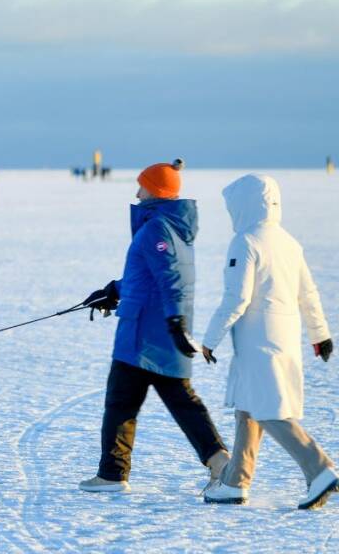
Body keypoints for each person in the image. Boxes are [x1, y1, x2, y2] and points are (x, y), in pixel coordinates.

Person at [79, 162, 229, 493]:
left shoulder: (157, 228)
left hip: (146, 336)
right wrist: (113, 291)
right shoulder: (169, 226)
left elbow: (170, 278)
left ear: (156, 191)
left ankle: (112, 475)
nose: (137, 192)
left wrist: (175, 322)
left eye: (142, 186)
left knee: (121, 403)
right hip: (152, 331)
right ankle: (219, 462)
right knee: (180, 401)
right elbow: (148, 276)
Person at [200, 174, 337, 509]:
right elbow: (308, 293)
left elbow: (237, 298)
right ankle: (234, 482)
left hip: (258, 342)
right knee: (249, 406)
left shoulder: (246, 241)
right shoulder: (289, 242)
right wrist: (320, 335)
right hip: (285, 337)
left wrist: (209, 340)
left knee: (267, 409)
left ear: (244, 204)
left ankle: (319, 468)